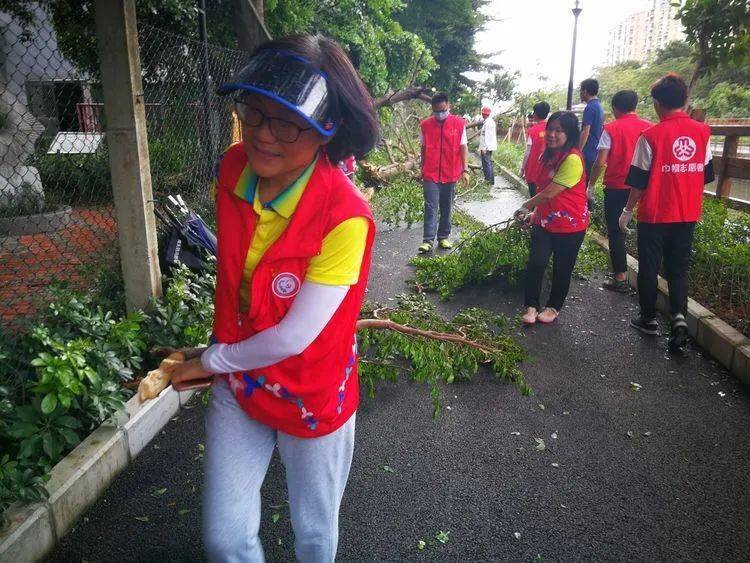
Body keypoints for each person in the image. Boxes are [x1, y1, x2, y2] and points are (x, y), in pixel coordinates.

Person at [169, 35, 379, 562]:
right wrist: (224, 356)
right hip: (241, 378)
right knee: (224, 537)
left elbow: (294, 336)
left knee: (313, 533)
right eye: (253, 112)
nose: (263, 134)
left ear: (327, 128)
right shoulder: (233, 168)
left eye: (286, 122)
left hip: (310, 386)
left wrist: (212, 359)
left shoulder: (345, 218)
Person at [620, 73, 714, 350]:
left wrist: (626, 211)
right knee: (679, 269)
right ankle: (679, 317)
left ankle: (648, 319)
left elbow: (638, 180)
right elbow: (706, 174)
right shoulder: (703, 133)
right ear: (685, 101)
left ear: (657, 103)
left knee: (649, 266)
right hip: (687, 214)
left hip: (655, 214)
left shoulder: (649, 136)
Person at [514, 111, 589, 325]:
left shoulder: (573, 159)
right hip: (544, 222)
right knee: (536, 263)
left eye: (559, 130)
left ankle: (554, 307)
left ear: (570, 134)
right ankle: (531, 305)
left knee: (562, 268)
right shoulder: (546, 155)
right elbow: (542, 189)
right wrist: (534, 212)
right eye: (550, 129)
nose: (552, 134)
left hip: (570, 226)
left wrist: (523, 206)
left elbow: (549, 193)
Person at [587, 90, 652, 293]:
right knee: (648, 233)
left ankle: (620, 278)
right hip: (645, 188)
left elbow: (600, 161)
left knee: (616, 232)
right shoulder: (650, 127)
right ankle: (648, 281)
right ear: (635, 106)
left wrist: (591, 184)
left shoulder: (611, 129)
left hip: (617, 187)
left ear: (615, 108)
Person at [418, 92, 470, 253]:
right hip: (431, 173)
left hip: (451, 173)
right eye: (436, 111)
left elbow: (463, 147)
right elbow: (423, 148)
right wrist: (422, 168)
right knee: (430, 206)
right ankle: (427, 240)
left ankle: (443, 237)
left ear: (449, 106)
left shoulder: (459, 124)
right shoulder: (425, 125)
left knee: (447, 206)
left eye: (442, 110)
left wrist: (465, 169)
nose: (439, 114)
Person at [520, 101, 550, 197]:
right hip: (548, 172)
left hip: (533, 170)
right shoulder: (552, 128)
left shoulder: (533, 130)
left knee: (534, 198)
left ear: (535, 114)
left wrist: (522, 168)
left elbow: (527, 152)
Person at [579, 78, 604, 181]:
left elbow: (585, 131)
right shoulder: (598, 106)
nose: (580, 93)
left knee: (581, 183)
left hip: (588, 152)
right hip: (595, 151)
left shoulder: (590, 108)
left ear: (585, 91)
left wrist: (578, 150)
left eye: (580, 90)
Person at [478, 106, 497, 185]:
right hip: (487, 146)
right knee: (488, 163)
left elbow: (488, 136)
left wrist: (485, 148)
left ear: (484, 114)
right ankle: (490, 180)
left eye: (483, 113)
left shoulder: (488, 123)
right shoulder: (488, 122)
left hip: (486, 146)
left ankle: (488, 181)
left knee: (486, 164)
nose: (482, 114)